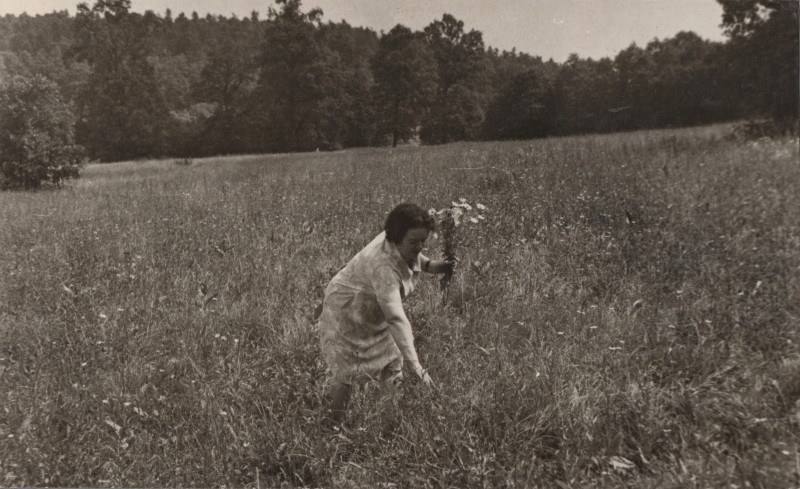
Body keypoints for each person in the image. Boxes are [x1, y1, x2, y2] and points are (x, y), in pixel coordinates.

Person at [319, 203, 456, 423]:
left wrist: (432, 266)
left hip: (373, 307)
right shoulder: (383, 267)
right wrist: (416, 365)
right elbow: (395, 317)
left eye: (424, 240)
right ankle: (333, 425)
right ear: (396, 238)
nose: (420, 247)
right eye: (414, 241)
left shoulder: (401, 243)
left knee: (393, 358)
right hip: (346, 310)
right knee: (346, 369)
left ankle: (391, 420)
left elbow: (414, 254)